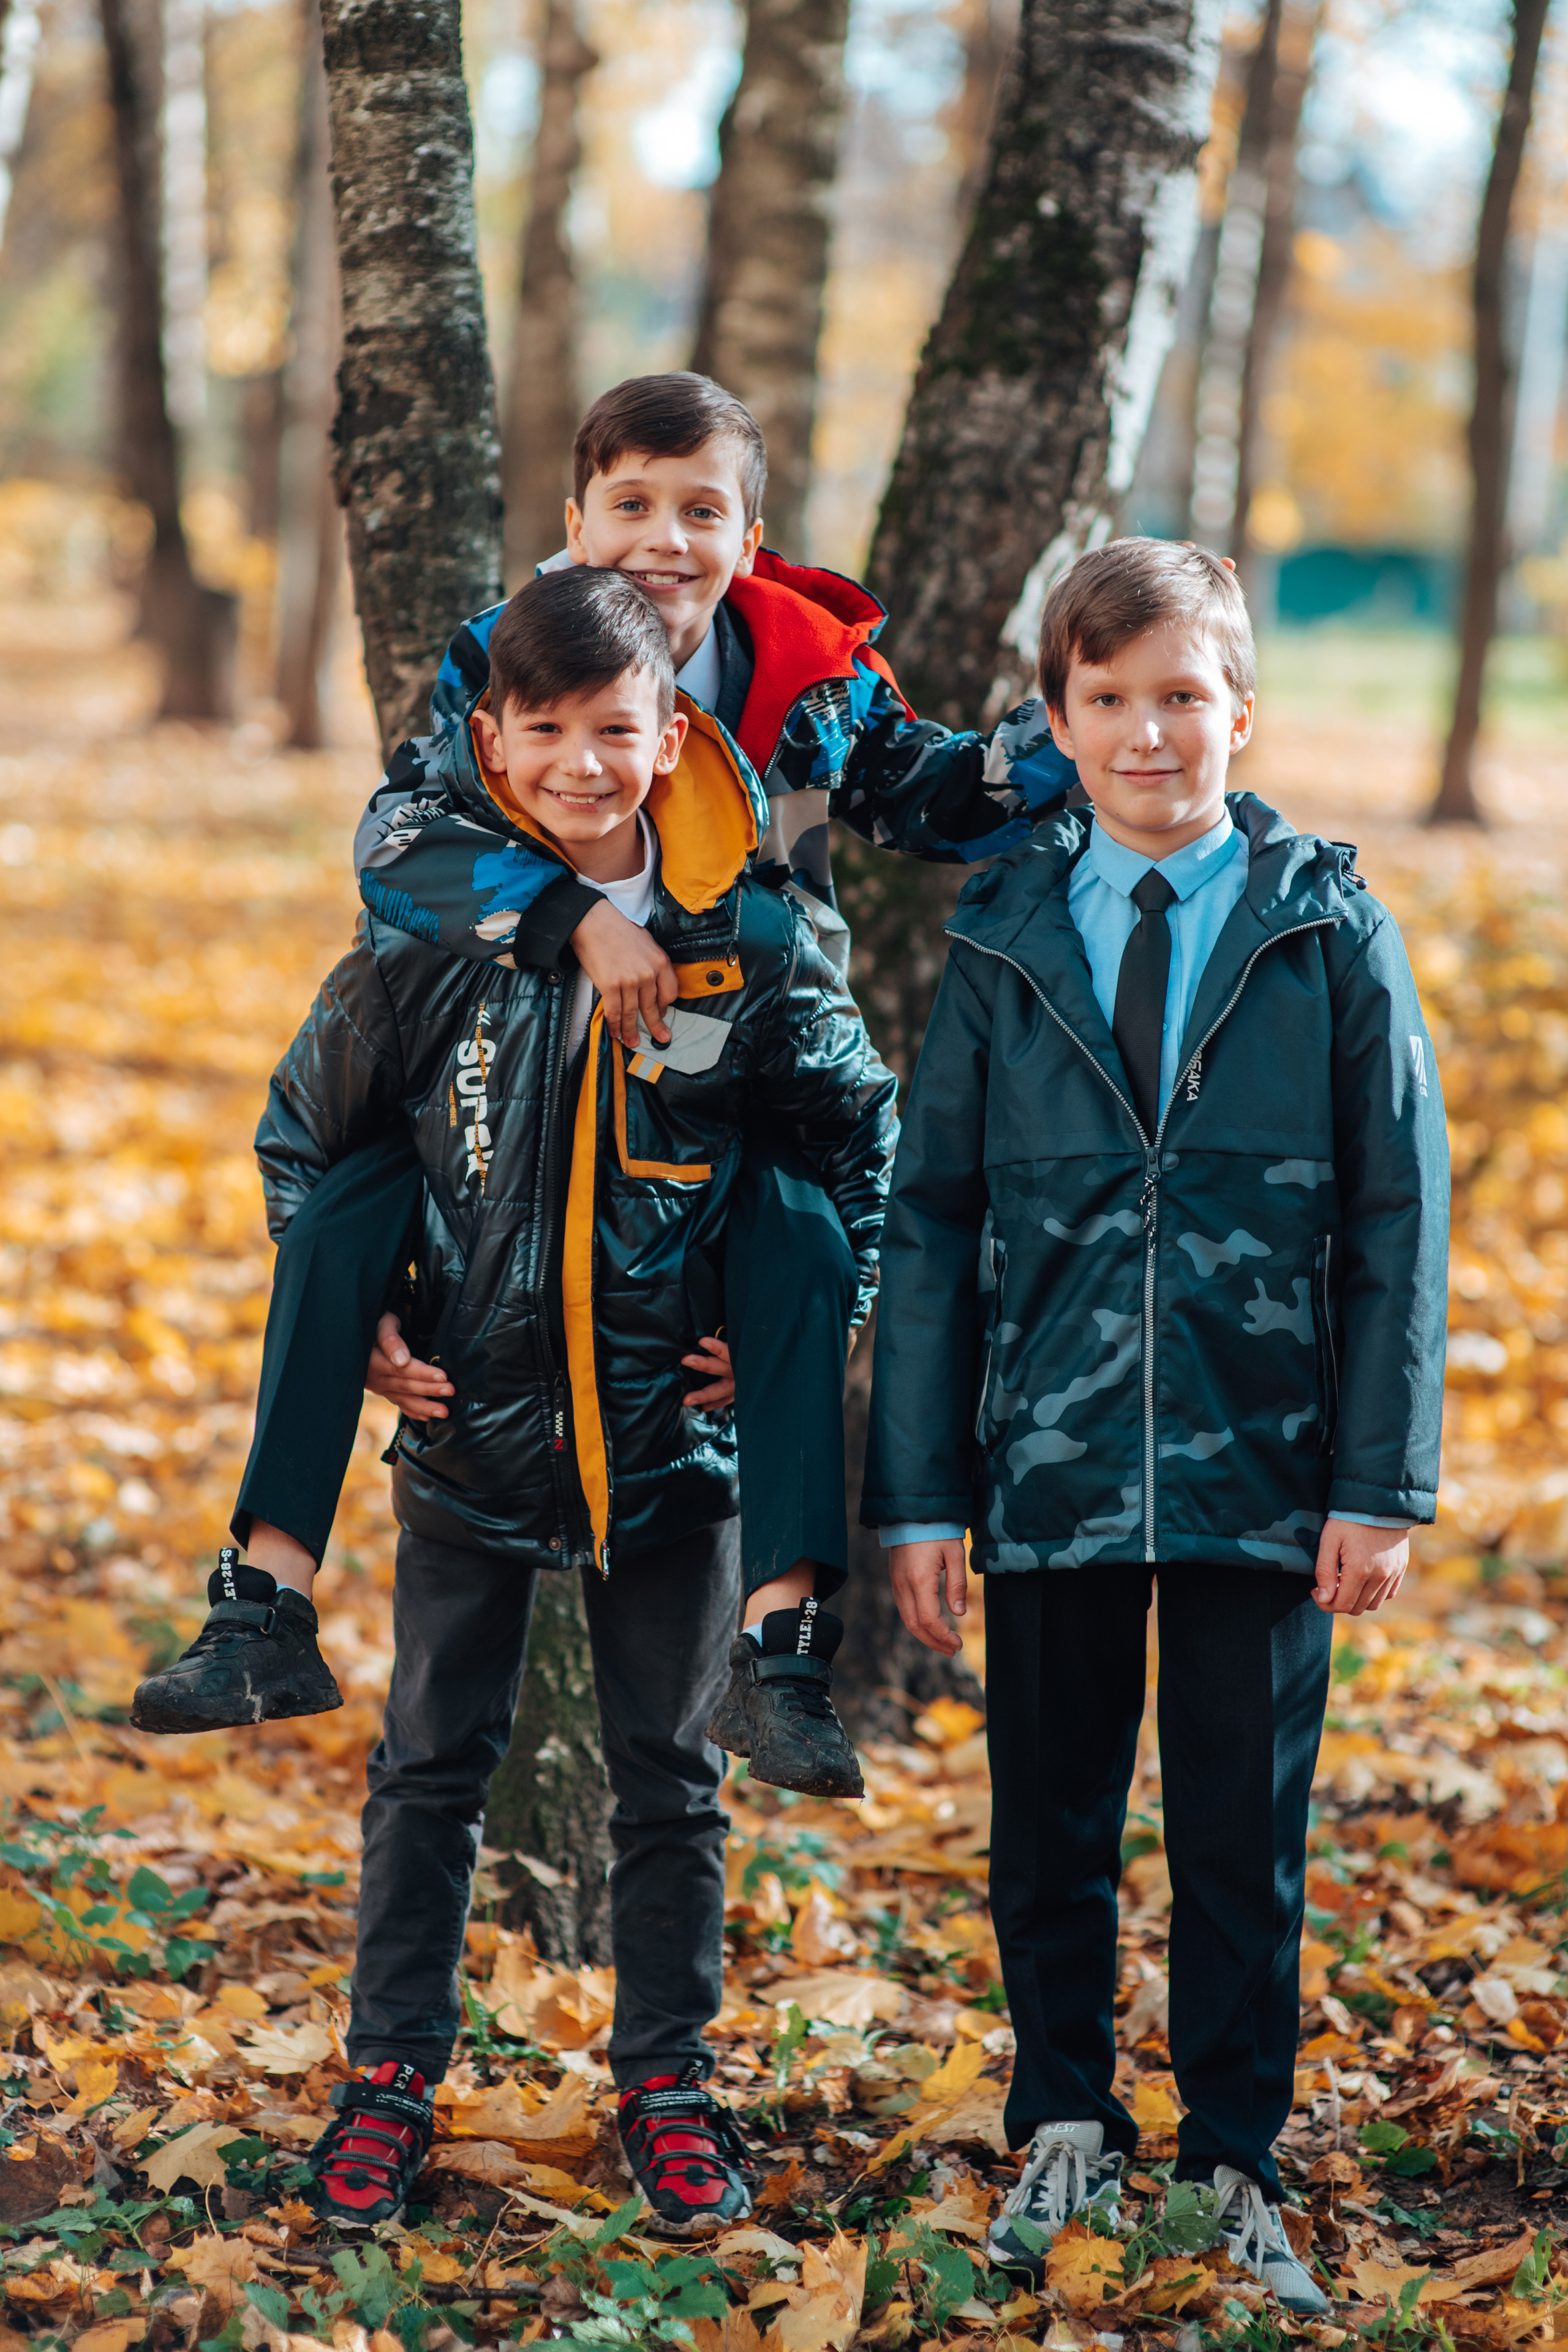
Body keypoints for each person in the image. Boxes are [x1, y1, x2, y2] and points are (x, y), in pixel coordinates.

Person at [129, 372, 1074, 1780]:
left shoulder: (812, 680)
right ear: (575, 522)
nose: (664, 538)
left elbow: (938, 799)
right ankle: (262, 1598)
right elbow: (402, 835)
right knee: (344, 1211)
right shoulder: (510, 655)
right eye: (629, 503)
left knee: (805, 1246)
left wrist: (1091, 713)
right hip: (501, 1068)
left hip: (716, 1078)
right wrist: (574, 917)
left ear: (748, 537)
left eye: (702, 510)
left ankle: (783, 1653)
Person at [158, 568, 896, 2235]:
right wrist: (354, 1330)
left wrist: (799, 1330)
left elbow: (861, 1149)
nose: (581, 761)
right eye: (544, 730)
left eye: (615, 729)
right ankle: (388, 2083)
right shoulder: (425, 946)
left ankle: (670, 2092)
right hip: (471, 1434)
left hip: (673, 1450)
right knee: (430, 1766)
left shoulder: (750, 939)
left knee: (671, 1775)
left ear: (671, 735)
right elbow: (305, 1138)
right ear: (488, 744)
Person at [862, 538, 1448, 2315]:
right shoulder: (1007, 926)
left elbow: (1398, 1220)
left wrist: (1379, 1480)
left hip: (1262, 1468)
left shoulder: (1329, 926)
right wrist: (918, 1494)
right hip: (1041, 1459)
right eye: (1106, 701)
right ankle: (1061, 2111)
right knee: (1044, 1813)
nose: (1146, 734)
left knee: (1235, 1830)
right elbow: (934, 1218)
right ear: (1053, 718)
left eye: (1182, 697)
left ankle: (1234, 2150)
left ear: (1243, 715)